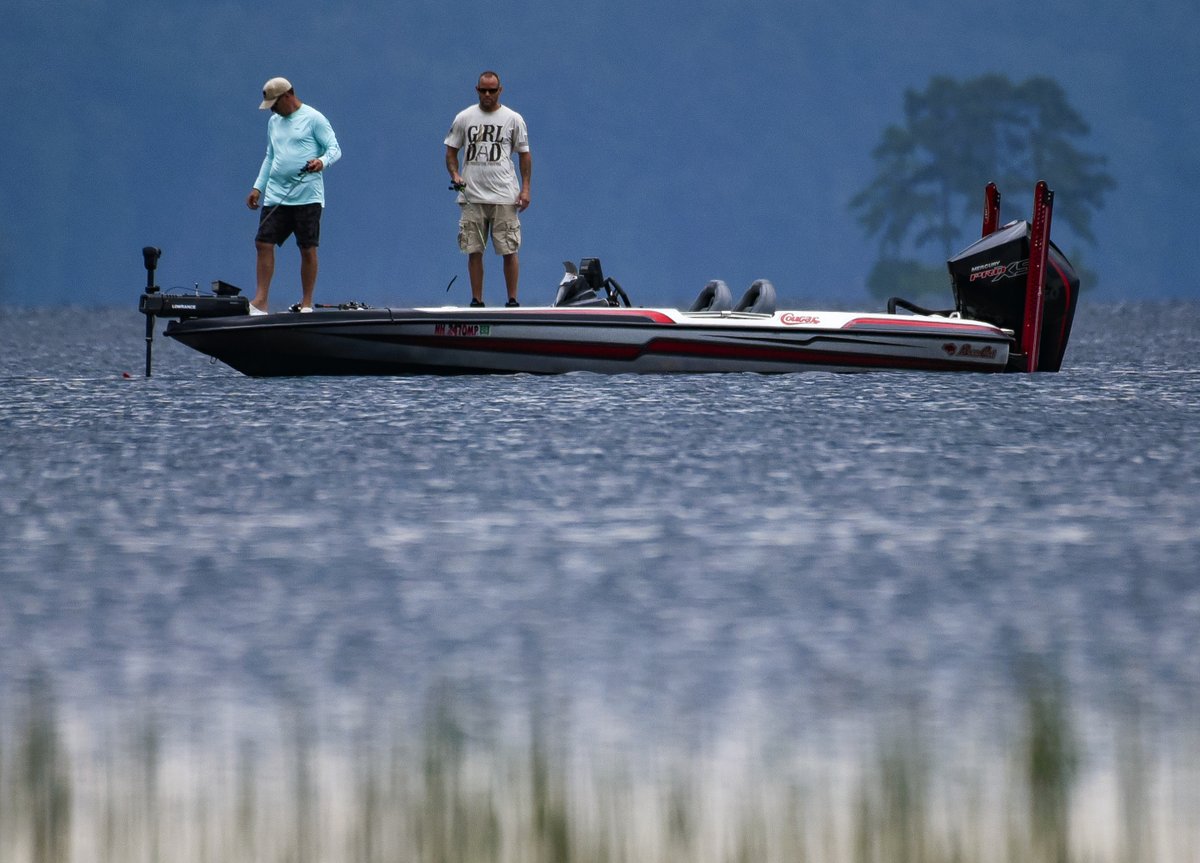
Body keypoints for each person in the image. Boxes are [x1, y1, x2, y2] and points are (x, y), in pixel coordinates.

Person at [246, 77, 341, 314]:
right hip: (277, 195)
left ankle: (306, 303)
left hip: (307, 196)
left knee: (307, 247)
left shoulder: (313, 119)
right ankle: (261, 300)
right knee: (263, 242)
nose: (273, 110)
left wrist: (322, 161)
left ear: (288, 96)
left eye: (275, 104)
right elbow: (270, 156)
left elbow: (334, 149)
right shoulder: (274, 122)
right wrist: (258, 187)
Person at [444, 71, 531, 307]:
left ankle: (512, 299)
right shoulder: (464, 118)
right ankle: (476, 300)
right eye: (483, 90)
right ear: (477, 90)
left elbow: (524, 155)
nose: (488, 95)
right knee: (473, 249)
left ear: (500, 90)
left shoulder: (513, 119)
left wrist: (525, 189)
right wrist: (455, 174)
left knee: (509, 248)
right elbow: (451, 151)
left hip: (504, 193)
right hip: (472, 194)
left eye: (492, 90)